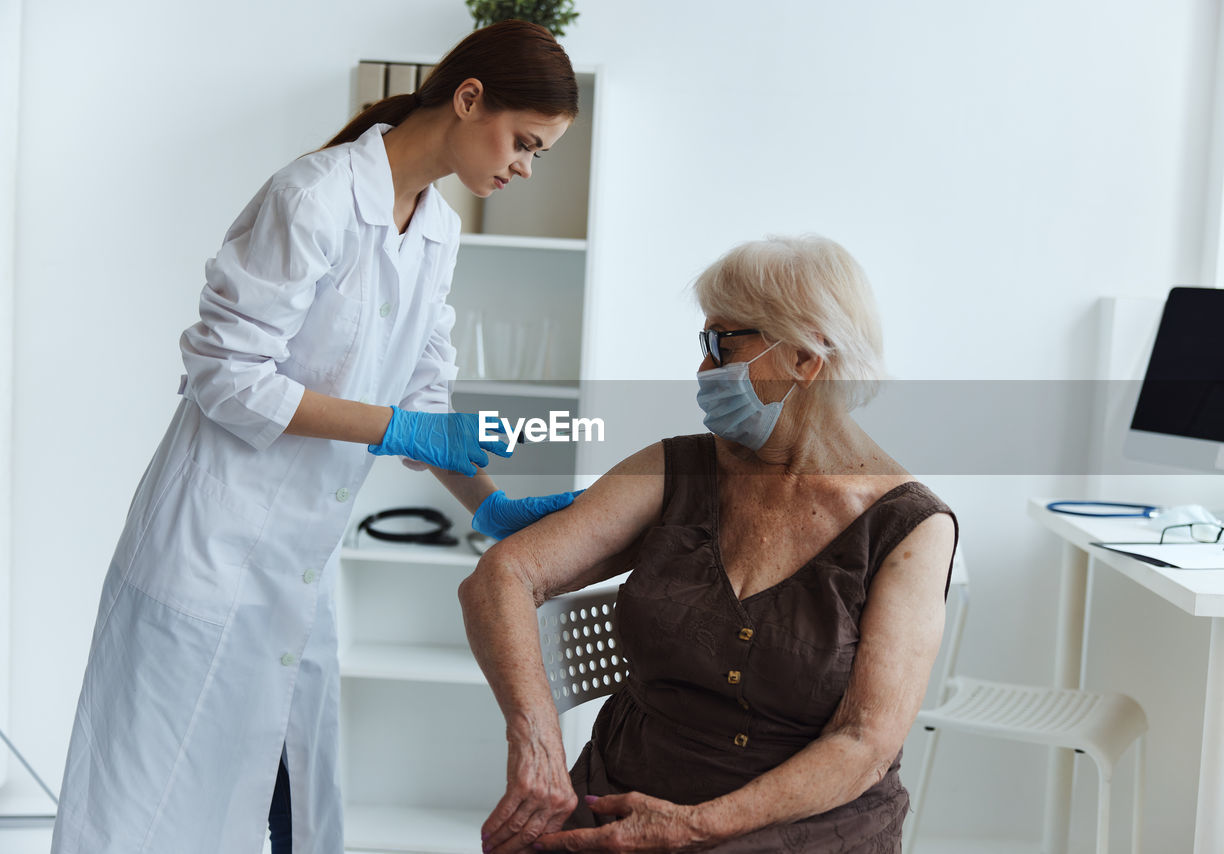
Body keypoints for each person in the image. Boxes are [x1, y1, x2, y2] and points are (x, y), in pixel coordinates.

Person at [52, 20, 582, 854]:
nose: (523, 166)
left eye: (539, 155)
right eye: (524, 142)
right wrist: (403, 426)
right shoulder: (315, 197)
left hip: (294, 570)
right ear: (469, 98)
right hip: (207, 553)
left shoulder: (436, 233)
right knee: (154, 820)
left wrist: (492, 507)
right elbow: (228, 374)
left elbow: (423, 400)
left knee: (291, 811)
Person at [458, 235, 959, 853]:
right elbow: (502, 575)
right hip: (620, 793)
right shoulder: (677, 469)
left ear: (805, 356)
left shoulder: (909, 528)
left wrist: (692, 828)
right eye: (704, 343)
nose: (703, 369)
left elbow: (864, 745)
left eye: (725, 343)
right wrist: (536, 745)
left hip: (801, 826)